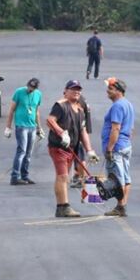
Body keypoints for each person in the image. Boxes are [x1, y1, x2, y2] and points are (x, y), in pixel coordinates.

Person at [46, 80, 99, 218]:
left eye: (78, 89)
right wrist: (61, 132)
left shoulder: (80, 110)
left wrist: (89, 151)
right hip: (59, 146)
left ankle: (62, 206)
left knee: (65, 177)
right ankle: (63, 206)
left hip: (72, 148)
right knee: (62, 176)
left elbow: (83, 131)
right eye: (73, 89)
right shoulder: (61, 105)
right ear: (66, 91)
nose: (76, 91)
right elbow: (50, 120)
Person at [101, 77, 135, 217]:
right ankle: (122, 205)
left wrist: (110, 148)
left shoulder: (117, 106)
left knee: (116, 178)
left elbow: (115, 128)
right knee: (125, 178)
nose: (107, 91)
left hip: (117, 147)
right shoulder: (128, 104)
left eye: (111, 89)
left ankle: (121, 206)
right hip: (125, 145)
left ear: (119, 91)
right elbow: (131, 129)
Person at [4, 77, 44, 185]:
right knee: (21, 151)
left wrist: (39, 128)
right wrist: (8, 127)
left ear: (36, 88)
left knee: (29, 153)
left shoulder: (38, 94)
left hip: (32, 126)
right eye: (29, 87)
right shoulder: (19, 92)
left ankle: (25, 176)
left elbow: (37, 112)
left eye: (32, 88)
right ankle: (14, 177)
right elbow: (12, 110)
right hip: (21, 126)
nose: (30, 90)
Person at [69, 93, 93, 189]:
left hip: (77, 133)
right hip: (81, 131)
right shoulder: (83, 99)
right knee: (78, 157)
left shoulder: (78, 102)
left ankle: (82, 178)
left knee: (80, 157)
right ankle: (77, 174)